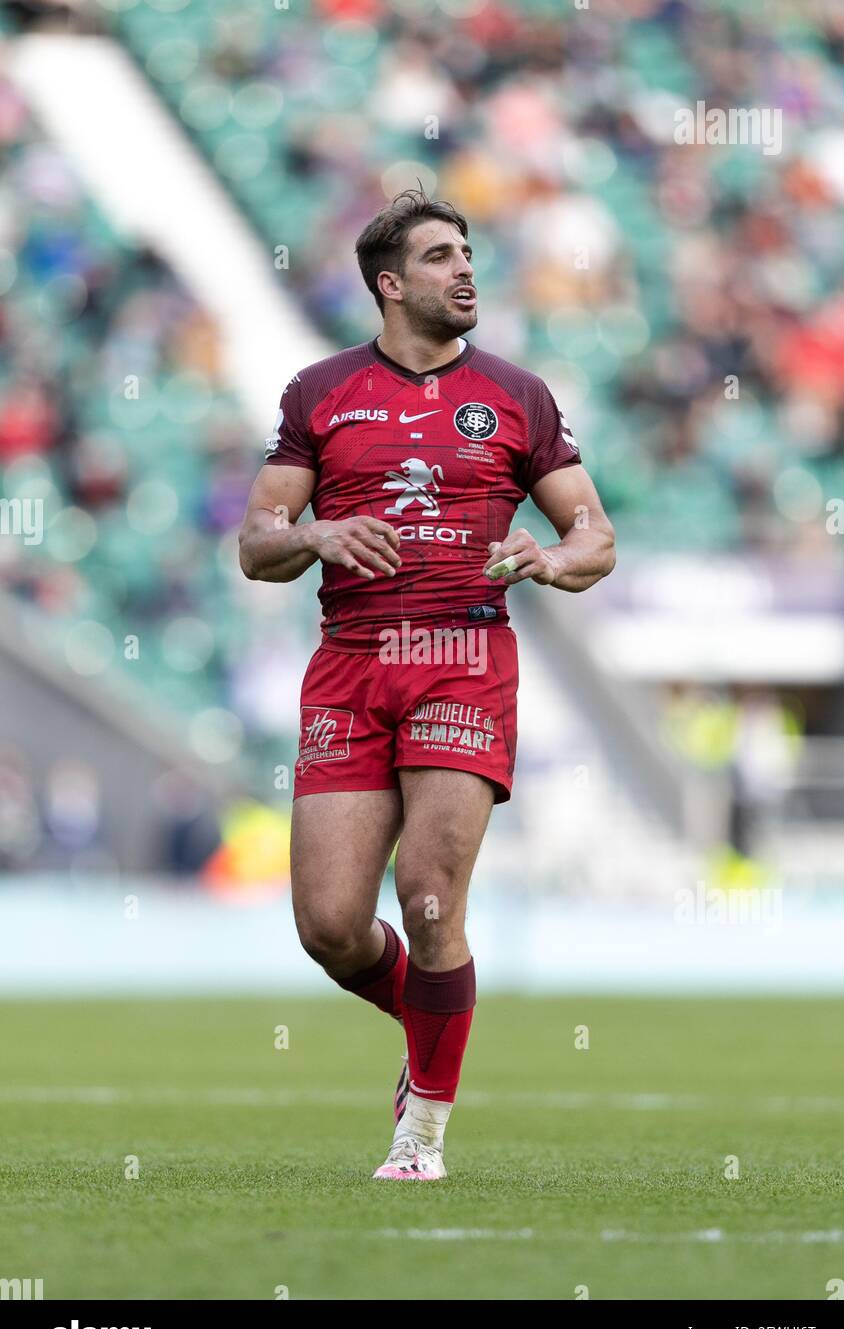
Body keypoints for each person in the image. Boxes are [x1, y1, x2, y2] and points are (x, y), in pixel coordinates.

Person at [239, 187, 616, 1180]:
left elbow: (596, 536)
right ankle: (430, 1031)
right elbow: (256, 541)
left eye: (468, 253)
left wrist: (551, 557)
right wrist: (315, 531)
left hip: (463, 656)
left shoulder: (519, 396)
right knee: (327, 926)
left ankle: (422, 1136)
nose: (466, 271)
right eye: (442, 256)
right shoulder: (317, 392)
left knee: (430, 900)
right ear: (389, 283)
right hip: (351, 666)